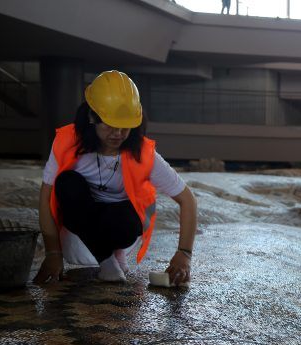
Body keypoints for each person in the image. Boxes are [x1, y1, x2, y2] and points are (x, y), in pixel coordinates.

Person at [33, 70, 197, 285]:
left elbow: (188, 200)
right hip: (78, 223)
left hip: (122, 226)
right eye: (110, 125)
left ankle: (112, 254)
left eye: (125, 126)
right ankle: (107, 260)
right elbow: (46, 197)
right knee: (66, 183)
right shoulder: (67, 144)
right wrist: (53, 253)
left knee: (125, 221)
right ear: (92, 117)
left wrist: (184, 254)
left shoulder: (143, 154)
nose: (118, 134)